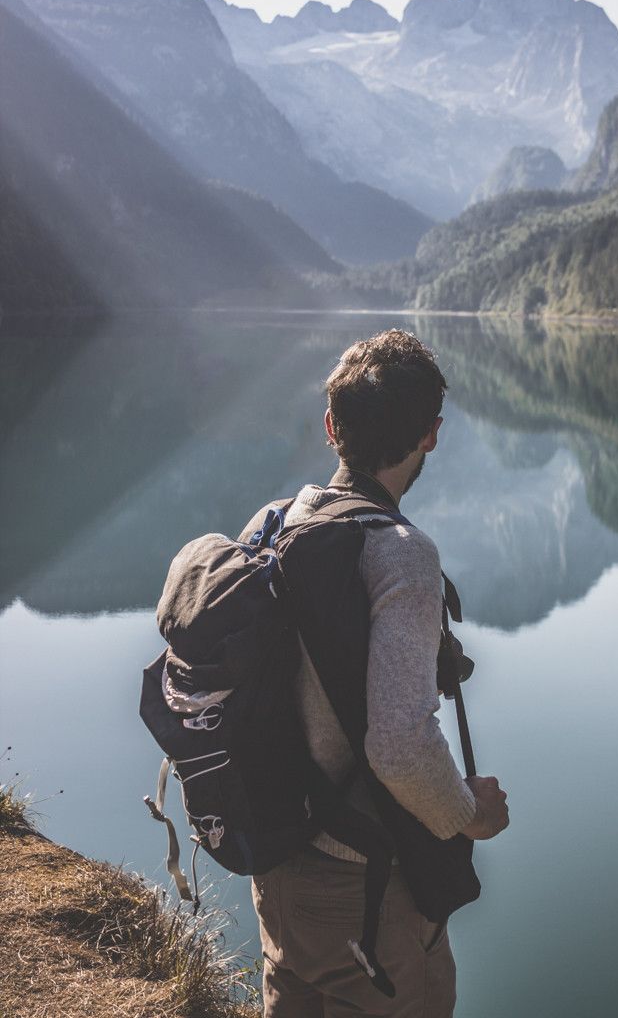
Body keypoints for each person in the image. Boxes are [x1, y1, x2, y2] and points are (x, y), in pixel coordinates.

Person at [239, 329, 509, 1017]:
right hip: (361, 891)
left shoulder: (274, 525)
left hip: (275, 866)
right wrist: (468, 814)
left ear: (332, 426)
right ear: (433, 436)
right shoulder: (401, 558)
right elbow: (397, 745)